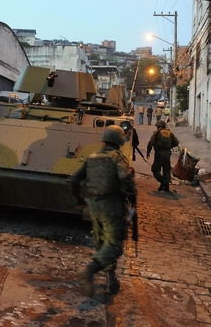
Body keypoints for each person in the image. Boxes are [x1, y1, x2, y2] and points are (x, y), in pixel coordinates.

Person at [69, 125, 137, 297]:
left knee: (102, 243)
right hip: (112, 206)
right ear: (120, 142)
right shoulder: (117, 158)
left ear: (104, 141)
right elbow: (125, 178)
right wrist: (132, 196)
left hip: (94, 207)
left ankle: (111, 280)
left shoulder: (92, 157)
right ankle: (89, 270)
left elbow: (74, 180)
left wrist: (79, 200)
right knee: (114, 246)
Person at [146, 120, 179, 192]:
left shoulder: (157, 133)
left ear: (158, 126)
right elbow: (176, 142)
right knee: (166, 170)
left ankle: (163, 181)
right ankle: (166, 187)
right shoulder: (170, 133)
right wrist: (169, 146)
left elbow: (151, 142)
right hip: (167, 154)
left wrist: (148, 151)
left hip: (159, 154)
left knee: (155, 169)